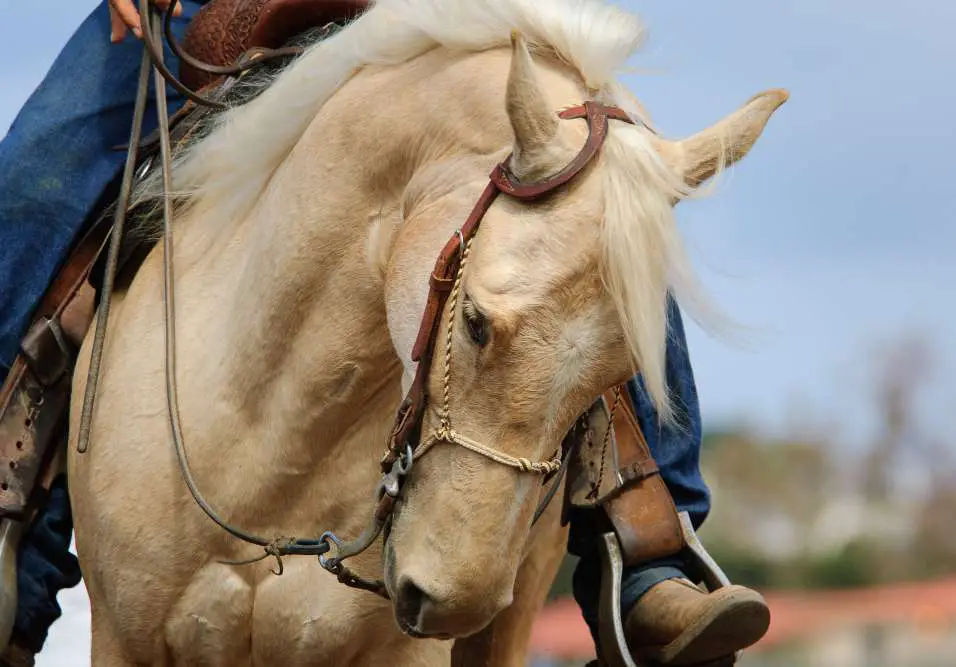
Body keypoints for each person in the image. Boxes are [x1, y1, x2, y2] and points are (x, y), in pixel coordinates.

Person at [0, 2, 769, 665]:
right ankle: (14, 546)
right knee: (31, 187)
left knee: (613, 191)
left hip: (448, 15)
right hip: (212, 5)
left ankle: (651, 550)